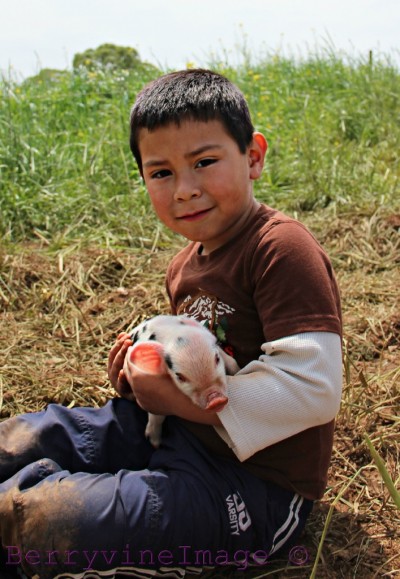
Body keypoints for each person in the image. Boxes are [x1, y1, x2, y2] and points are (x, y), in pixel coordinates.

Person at [0, 69, 342, 579]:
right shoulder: (183, 266)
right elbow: (192, 355)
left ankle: (28, 499)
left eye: (204, 162)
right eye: (161, 173)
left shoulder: (280, 248)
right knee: (30, 436)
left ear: (253, 157)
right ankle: (32, 474)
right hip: (170, 434)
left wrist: (181, 402)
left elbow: (313, 389)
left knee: (44, 522)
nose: (185, 190)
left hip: (251, 487)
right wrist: (141, 379)